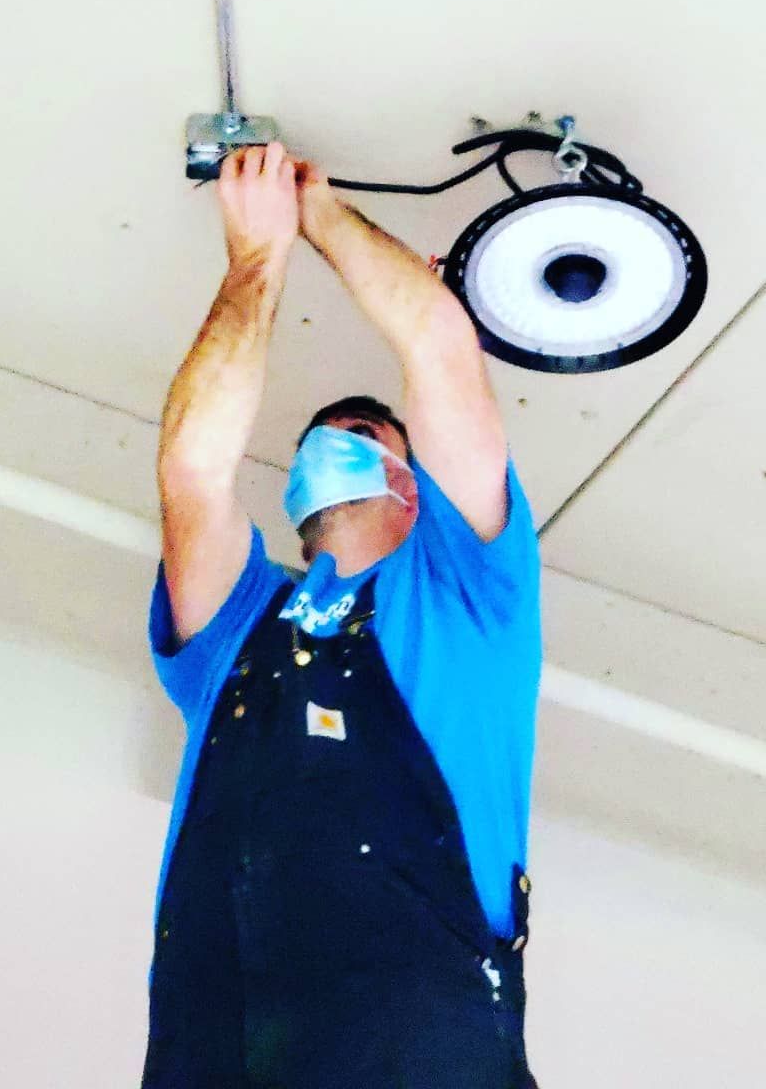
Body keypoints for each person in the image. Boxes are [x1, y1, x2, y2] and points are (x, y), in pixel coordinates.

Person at [142, 142, 542, 1088]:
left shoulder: (469, 600)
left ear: (414, 483)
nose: (335, 440)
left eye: (365, 433)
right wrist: (255, 261)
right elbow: (193, 470)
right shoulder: (236, 639)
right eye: (323, 436)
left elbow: (439, 350)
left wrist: (316, 215)